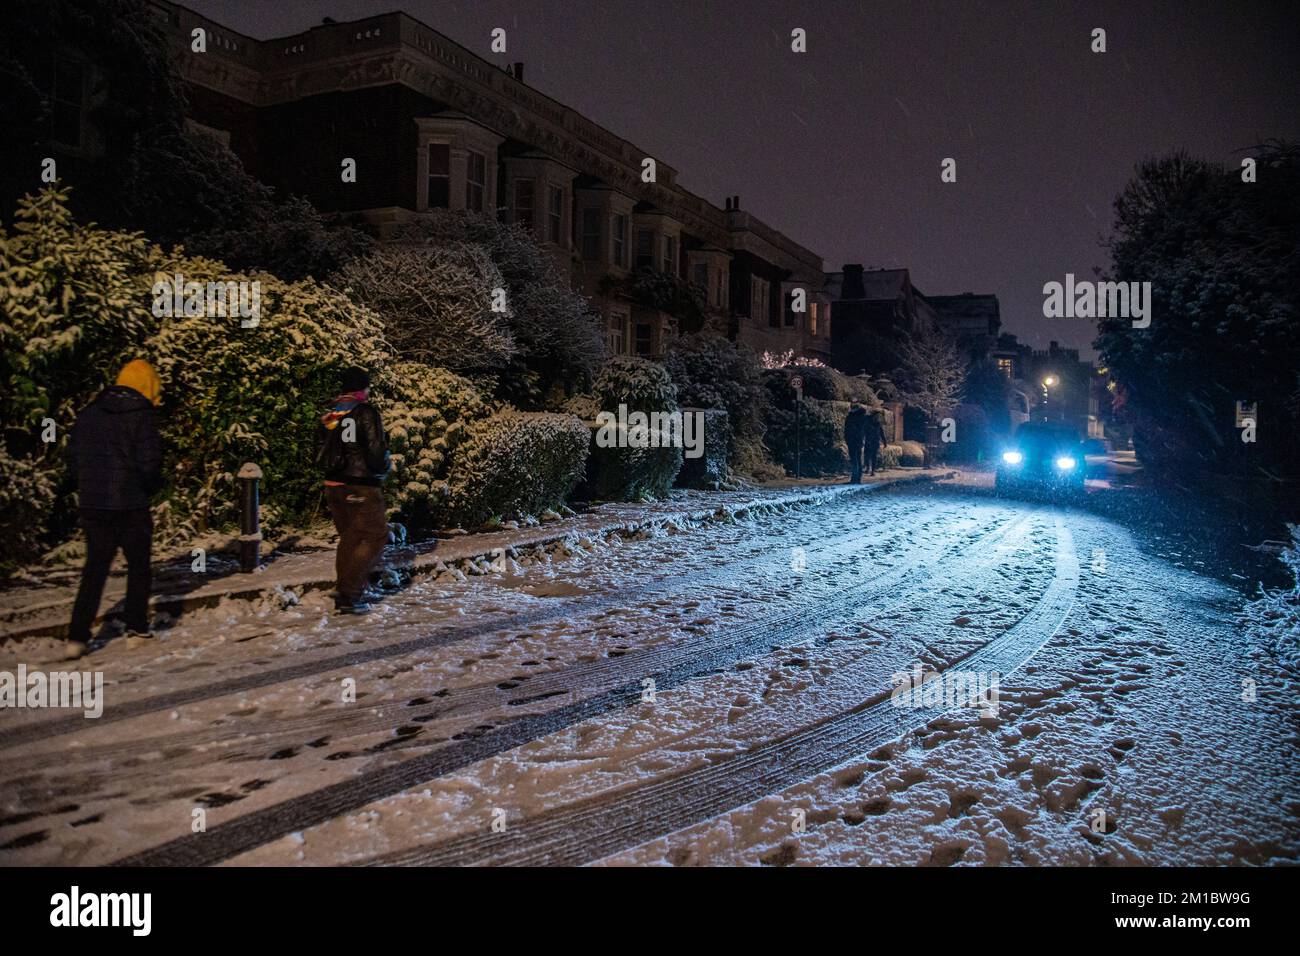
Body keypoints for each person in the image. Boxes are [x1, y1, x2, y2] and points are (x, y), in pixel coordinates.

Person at [66, 359, 164, 659]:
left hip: (94, 504)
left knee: (94, 569)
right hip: (131, 504)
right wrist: (148, 488)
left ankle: (77, 636)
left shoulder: (89, 414)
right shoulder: (142, 416)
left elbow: (73, 459)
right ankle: (136, 625)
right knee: (139, 567)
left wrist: (87, 488)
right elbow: (150, 464)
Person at [319, 367, 391, 614]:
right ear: (362, 388)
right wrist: (383, 468)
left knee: (350, 537)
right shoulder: (365, 412)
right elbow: (375, 451)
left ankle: (345, 593)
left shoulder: (330, 414)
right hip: (361, 484)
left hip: (333, 484)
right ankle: (348, 592)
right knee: (375, 536)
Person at [844, 404, 868, 484]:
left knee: (854, 459)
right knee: (858, 459)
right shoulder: (863, 417)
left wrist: (848, 438)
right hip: (859, 440)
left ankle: (854, 479)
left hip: (853, 440)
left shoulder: (852, 417)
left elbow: (848, 429)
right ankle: (858, 479)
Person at [864, 410, 887, 477]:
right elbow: (864, 431)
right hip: (870, 441)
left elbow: (882, 433)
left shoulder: (877, 424)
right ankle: (868, 468)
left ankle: (872, 470)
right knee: (868, 455)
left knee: (873, 456)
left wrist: (885, 442)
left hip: (874, 441)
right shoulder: (868, 422)